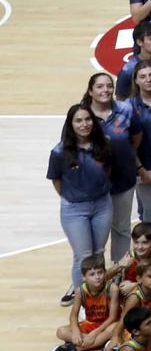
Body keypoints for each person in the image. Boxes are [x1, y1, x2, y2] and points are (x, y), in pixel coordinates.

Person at [50, 103, 116, 303]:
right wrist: (73, 196)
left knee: (98, 253)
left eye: (87, 119)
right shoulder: (59, 151)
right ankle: (83, 302)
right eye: (78, 120)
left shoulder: (105, 143)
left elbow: (108, 170)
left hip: (102, 205)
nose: (84, 124)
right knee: (83, 257)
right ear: (70, 124)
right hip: (74, 209)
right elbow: (56, 180)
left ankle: (99, 298)